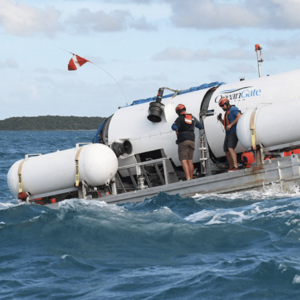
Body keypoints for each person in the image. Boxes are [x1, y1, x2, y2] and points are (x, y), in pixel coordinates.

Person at [172, 104, 203, 180]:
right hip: (192, 141)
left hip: (183, 141)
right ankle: (191, 178)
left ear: (178, 112)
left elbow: (174, 127)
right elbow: (200, 126)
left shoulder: (180, 118)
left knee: (184, 160)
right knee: (190, 160)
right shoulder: (192, 117)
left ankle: (188, 178)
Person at [217, 98, 241, 171]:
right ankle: (231, 166)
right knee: (226, 150)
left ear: (227, 104)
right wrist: (220, 120)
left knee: (230, 148)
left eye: (222, 106)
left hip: (233, 132)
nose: (222, 108)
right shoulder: (226, 112)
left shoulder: (233, 109)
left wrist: (231, 125)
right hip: (228, 133)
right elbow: (226, 124)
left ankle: (235, 165)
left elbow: (239, 116)